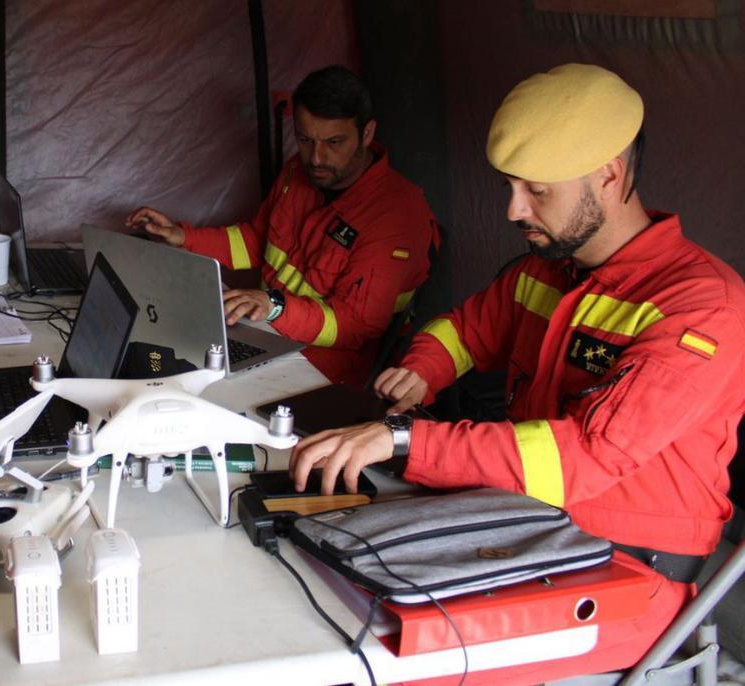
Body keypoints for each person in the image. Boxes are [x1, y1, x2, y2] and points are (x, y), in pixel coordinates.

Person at [289, 63, 745, 683]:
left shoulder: (700, 307)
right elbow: (466, 329)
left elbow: (582, 457)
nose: (513, 209)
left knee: (385, 663)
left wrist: (405, 440)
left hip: (627, 577)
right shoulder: (546, 270)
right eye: (509, 186)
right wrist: (421, 370)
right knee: (318, 582)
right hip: (521, 530)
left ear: (609, 174)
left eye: (537, 190)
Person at [125, 65, 440, 386]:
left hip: (329, 368)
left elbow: (354, 327)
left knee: (190, 380)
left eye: (334, 142)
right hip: (265, 334)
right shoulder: (298, 172)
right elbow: (257, 240)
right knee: (157, 348)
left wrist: (275, 307)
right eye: (305, 139)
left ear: (367, 134)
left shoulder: (396, 215)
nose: (316, 158)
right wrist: (184, 237)